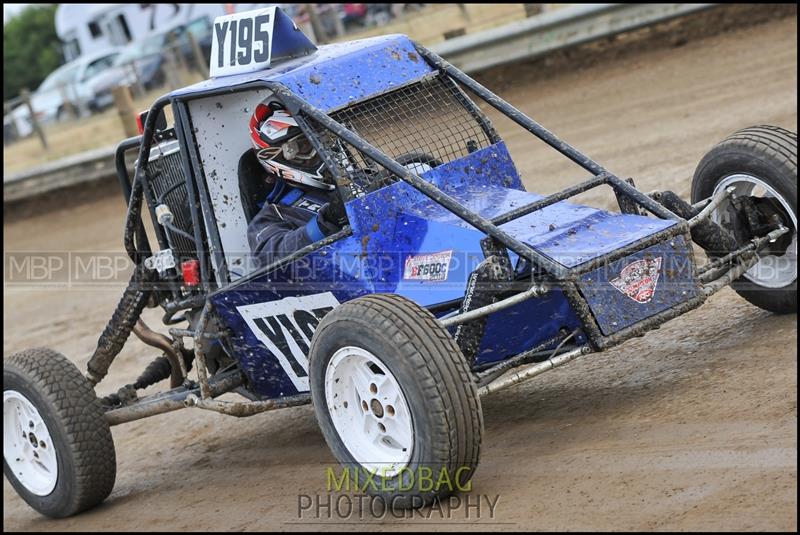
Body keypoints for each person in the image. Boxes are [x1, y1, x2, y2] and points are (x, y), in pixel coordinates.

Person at [246, 100, 347, 268]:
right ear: (275, 156)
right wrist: (328, 221)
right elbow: (269, 259)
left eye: (324, 139)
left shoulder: (361, 180)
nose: (323, 151)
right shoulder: (271, 217)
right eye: (307, 145)